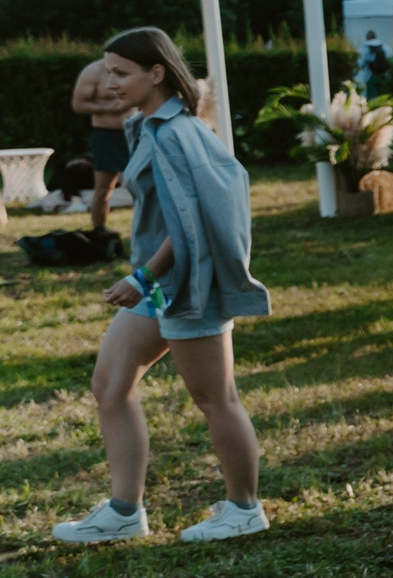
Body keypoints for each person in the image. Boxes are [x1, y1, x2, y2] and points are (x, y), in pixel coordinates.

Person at [54, 28, 271, 544]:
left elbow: (190, 223)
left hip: (185, 282)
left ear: (157, 73)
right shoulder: (151, 126)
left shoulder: (177, 134)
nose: (109, 83)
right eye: (107, 71)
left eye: (120, 72)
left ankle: (245, 509)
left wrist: (142, 276)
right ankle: (125, 511)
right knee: (110, 384)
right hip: (159, 284)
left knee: (214, 397)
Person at [70, 51, 134, 233]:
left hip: (134, 133)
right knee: (104, 189)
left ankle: (150, 231)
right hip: (106, 135)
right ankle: (100, 231)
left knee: (144, 186)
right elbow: (78, 105)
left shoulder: (134, 68)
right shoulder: (93, 71)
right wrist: (108, 108)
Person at [355, 30, 391, 101]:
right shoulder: (384, 45)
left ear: (367, 37)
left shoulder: (364, 47)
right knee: (383, 95)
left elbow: (360, 62)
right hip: (383, 74)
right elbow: (390, 57)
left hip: (370, 74)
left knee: (372, 96)